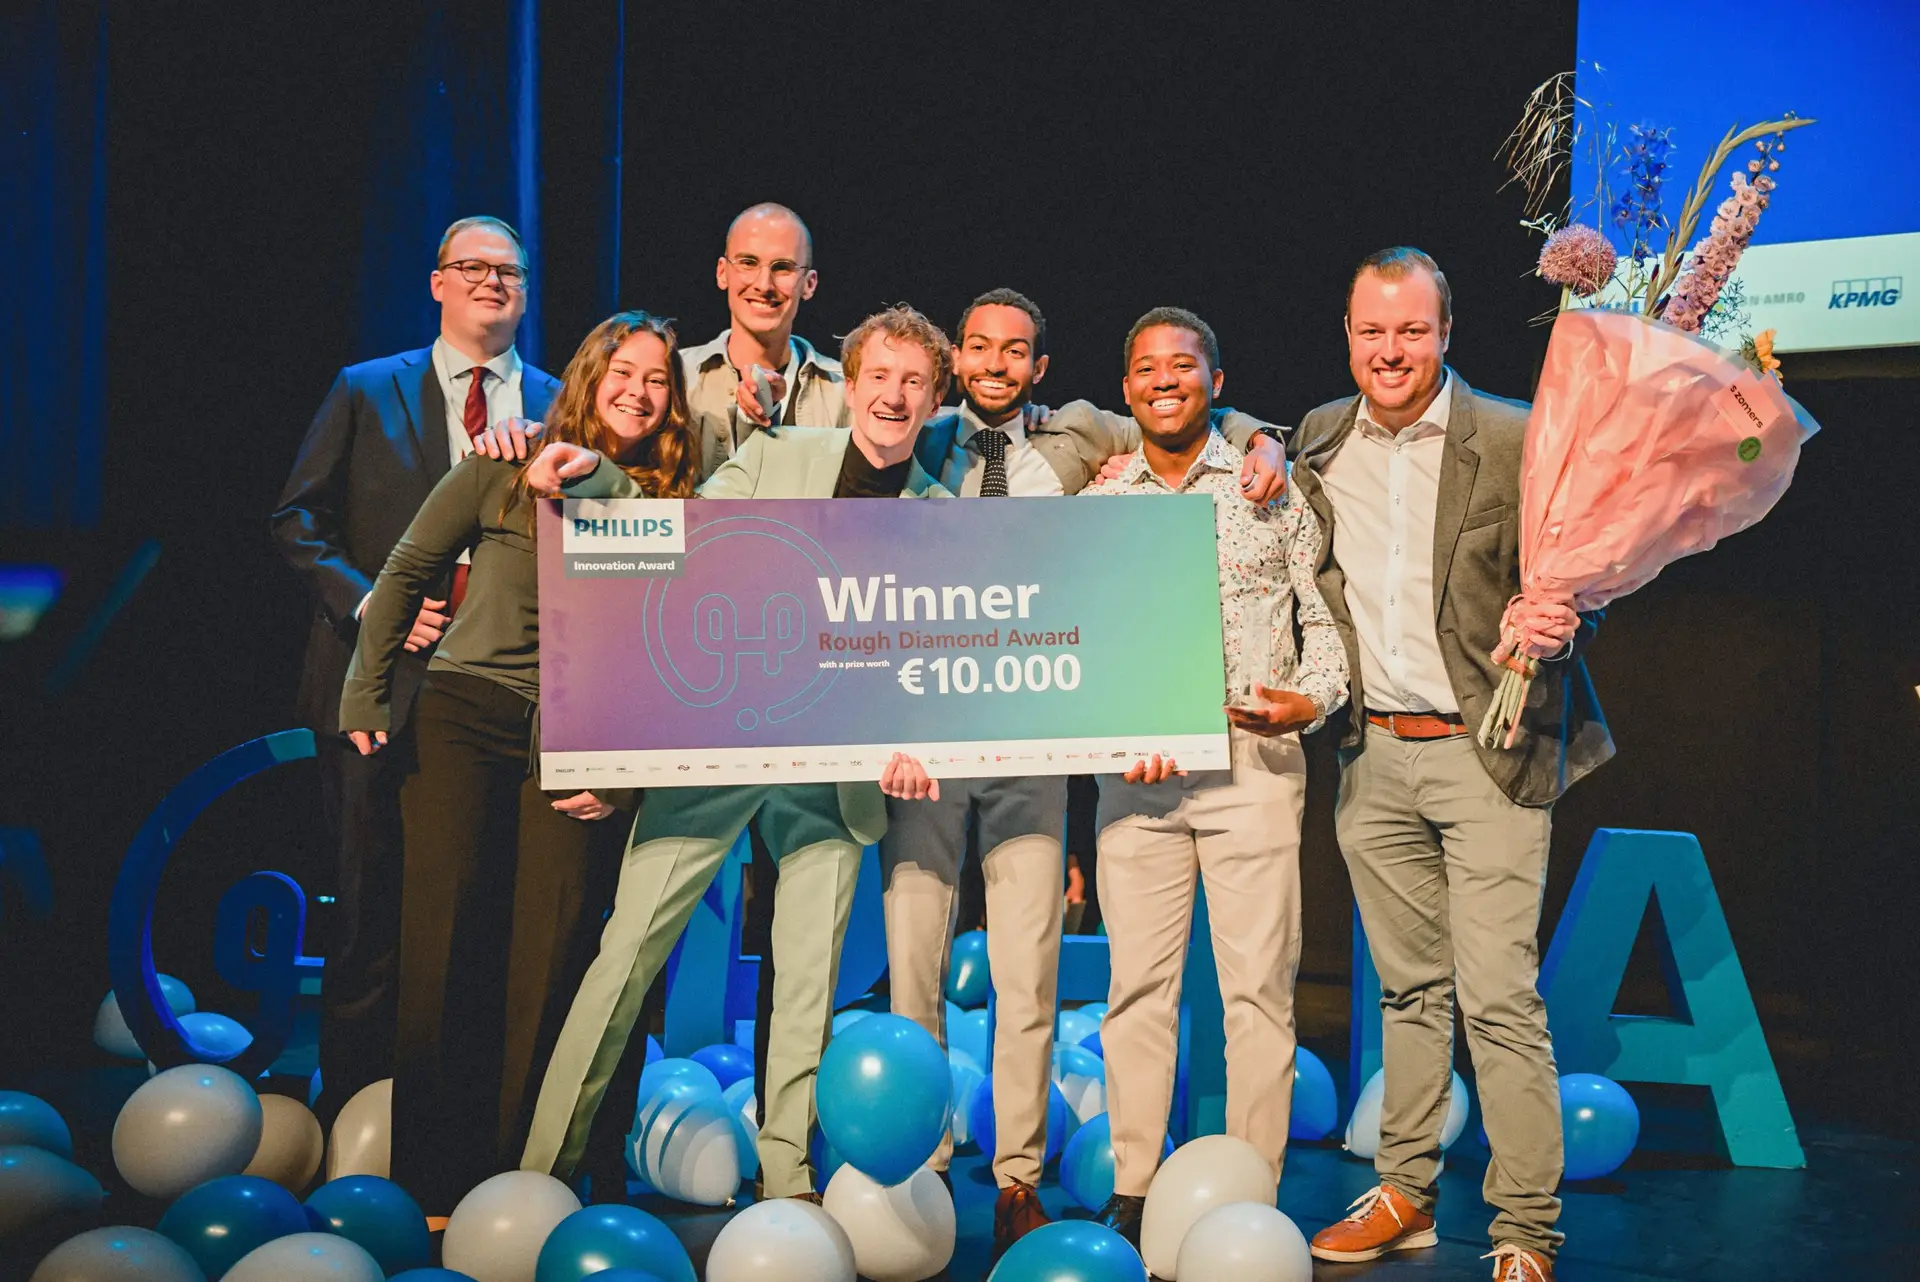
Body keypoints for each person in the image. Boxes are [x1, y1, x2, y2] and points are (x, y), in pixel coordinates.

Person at [878, 287, 1295, 1254]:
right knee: (915, 965)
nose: (994, 364)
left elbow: (1189, 406)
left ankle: (1017, 1179)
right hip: (927, 737)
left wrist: (1263, 438)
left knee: (1028, 973)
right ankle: (921, 1171)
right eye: (977, 347)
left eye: (1014, 350)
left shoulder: (1076, 437)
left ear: (1040, 367)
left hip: (1032, 736)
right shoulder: (911, 436)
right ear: (954, 359)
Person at [518, 304, 953, 1202]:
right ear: (851, 385)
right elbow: (680, 538)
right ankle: (541, 1173)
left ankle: (787, 1181)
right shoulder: (775, 454)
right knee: (624, 958)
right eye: (879, 376)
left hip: (835, 778)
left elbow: (934, 654)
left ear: (934, 399)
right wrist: (599, 478)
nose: (894, 395)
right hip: (722, 748)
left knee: (808, 988)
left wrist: (918, 742)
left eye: (914, 381)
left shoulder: (945, 518)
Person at [335, 310, 700, 1216]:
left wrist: (624, 775)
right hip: (464, 718)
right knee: (445, 943)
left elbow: (669, 655)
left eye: (657, 379)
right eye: (622, 371)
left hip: (582, 742)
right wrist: (364, 695)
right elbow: (407, 569)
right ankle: (430, 1184)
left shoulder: (671, 503)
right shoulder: (505, 460)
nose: (637, 391)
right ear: (587, 377)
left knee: (554, 953)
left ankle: (521, 1181)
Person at [1292, 248, 1610, 1282]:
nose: (1391, 351)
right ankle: (1406, 1194)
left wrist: (1562, 621)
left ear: (1446, 333)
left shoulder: (1516, 436)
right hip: (1372, 755)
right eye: (1372, 331)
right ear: (1349, 336)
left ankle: (1526, 1232)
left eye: (1411, 331)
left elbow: (1585, 579)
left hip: (1489, 752)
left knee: (1500, 1000)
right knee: (1407, 994)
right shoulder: (1318, 438)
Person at [1064, 307, 1346, 1250]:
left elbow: (1324, 629)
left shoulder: (1270, 488)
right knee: (1136, 991)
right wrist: (1108, 736)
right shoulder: (1099, 505)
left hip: (1253, 769)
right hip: (1136, 785)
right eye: (1146, 368)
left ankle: (1250, 1193)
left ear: (1216, 384)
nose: (1164, 380)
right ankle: (1135, 1188)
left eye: (1183, 366)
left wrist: (1308, 702)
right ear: (1126, 388)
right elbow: (1075, 649)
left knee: (1257, 993)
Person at [270, 215, 558, 1129]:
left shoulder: (559, 404)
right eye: (471, 267)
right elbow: (297, 520)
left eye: (508, 271)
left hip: (502, 697)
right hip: (379, 681)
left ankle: (457, 1123)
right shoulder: (366, 388)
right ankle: (353, 1118)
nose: (491, 282)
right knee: (371, 905)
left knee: (477, 913)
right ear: (437, 283)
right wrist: (374, 609)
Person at [684, 201, 848, 475]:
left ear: (809, 284)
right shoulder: (678, 376)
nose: (763, 285)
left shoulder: (844, 392)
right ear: (722, 272)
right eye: (748, 263)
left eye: (782, 267)